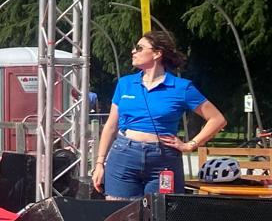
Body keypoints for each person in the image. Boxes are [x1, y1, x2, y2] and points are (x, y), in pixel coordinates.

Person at [94, 30, 226, 198]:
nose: (133, 51)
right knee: (120, 211)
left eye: (139, 48)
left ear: (157, 53)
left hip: (163, 159)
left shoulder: (182, 87)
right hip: (124, 154)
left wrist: (190, 145)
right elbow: (111, 126)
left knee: (162, 212)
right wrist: (99, 163)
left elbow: (217, 119)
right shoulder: (125, 83)